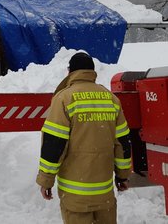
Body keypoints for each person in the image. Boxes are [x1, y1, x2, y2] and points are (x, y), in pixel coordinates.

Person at [36, 52, 131, 224]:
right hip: (104, 194)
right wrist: (123, 175)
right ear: (92, 72)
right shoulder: (111, 99)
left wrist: (46, 180)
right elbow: (122, 142)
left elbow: (54, 144)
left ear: (70, 72)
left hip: (75, 196)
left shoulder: (64, 98)